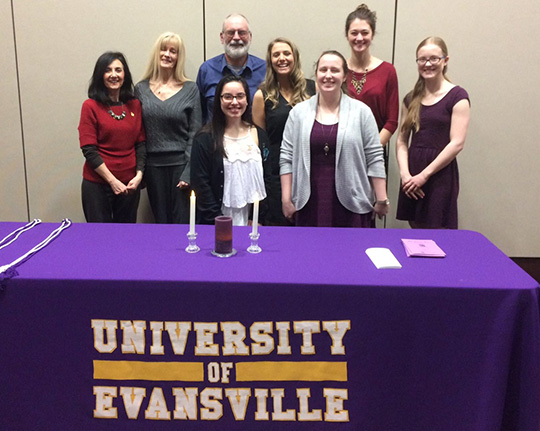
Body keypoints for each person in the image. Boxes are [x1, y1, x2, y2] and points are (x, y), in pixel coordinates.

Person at [280, 50, 388, 227]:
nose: (328, 75)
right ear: (316, 74)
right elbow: (286, 158)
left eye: (335, 70)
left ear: (345, 76)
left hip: (353, 202)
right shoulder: (298, 113)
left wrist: (382, 199)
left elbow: (374, 157)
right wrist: (286, 199)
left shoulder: (362, 112)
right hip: (308, 202)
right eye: (323, 70)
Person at [396, 37, 470, 229]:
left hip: (439, 175)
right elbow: (402, 141)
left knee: (439, 233)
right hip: (412, 173)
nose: (427, 64)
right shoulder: (410, 98)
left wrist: (424, 175)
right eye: (422, 59)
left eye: (434, 59)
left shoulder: (458, 97)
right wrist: (405, 175)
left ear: (445, 60)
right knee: (416, 231)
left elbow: (457, 143)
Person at [135, 32, 202, 224]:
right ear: (156, 54)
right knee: (160, 222)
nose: (167, 54)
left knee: (182, 223)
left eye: (173, 51)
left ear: (178, 57)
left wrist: (188, 172)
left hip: (181, 165)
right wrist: (140, 170)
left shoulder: (190, 89)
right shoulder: (140, 89)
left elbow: (194, 133)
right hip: (153, 167)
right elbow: (137, 134)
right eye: (163, 49)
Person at [252, 37, 316, 225]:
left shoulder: (313, 89)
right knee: (280, 225)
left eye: (286, 53)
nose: (282, 58)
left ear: (294, 57)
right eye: (276, 54)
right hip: (277, 171)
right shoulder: (261, 96)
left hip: (309, 166)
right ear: (270, 61)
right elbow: (260, 142)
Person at [191, 75, 268, 225]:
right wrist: (220, 222)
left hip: (252, 222)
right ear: (219, 100)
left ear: (247, 100)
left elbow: (268, 178)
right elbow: (201, 184)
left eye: (240, 96)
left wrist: (257, 218)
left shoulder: (260, 135)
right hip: (216, 222)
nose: (234, 102)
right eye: (227, 97)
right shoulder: (204, 138)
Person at [78, 52, 146, 223]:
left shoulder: (134, 105)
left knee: (126, 238)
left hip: (130, 186)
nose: (114, 75)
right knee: (100, 239)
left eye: (118, 70)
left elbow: (141, 144)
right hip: (98, 186)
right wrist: (112, 181)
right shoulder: (90, 106)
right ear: (100, 75)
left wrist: (139, 175)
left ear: (125, 75)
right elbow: (89, 150)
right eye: (108, 70)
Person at [345, 4, 399, 150]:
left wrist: (371, 150)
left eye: (364, 32)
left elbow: (392, 121)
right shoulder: (339, 70)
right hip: (342, 150)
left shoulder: (388, 71)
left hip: (374, 150)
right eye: (354, 33)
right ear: (347, 35)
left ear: (372, 34)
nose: (359, 38)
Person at [196, 13, 266, 122]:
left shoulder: (265, 70)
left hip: (253, 137)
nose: (236, 37)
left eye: (242, 32)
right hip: (213, 138)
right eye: (231, 32)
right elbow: (198, 115)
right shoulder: (206, 70)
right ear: (222, 37)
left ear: (250, 37)